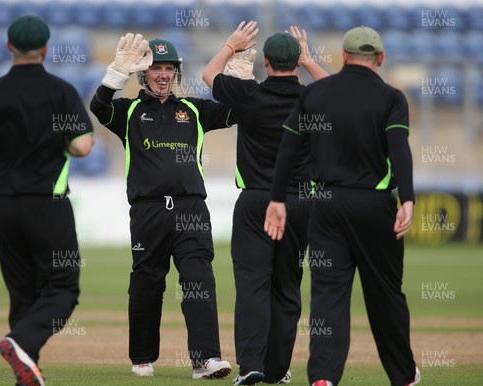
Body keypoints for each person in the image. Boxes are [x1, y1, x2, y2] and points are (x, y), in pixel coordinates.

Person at [264, 26, 420, 386]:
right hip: (374, 204)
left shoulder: (317, 94)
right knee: (385, 294)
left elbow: (288, 148)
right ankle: (402, 376)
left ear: (344, 57)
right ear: (380, 59)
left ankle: (322, 377)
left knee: (328, 296)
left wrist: (277, 199)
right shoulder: (391, 97)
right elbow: (399, 149)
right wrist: (408, 198)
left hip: (327, 205)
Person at [0, 15, 94, 386]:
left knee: (22, 291)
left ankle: (26, 370)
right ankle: (18, 343)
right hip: (46, 203)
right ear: (45, 49)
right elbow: (82, 146)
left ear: (8, 47)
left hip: (3, 203)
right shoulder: (61, 91)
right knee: (63, 288)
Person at [89, 33, 233, 379]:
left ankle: (206, 360)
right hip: (148, 211)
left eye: (169, 68)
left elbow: (237, 112)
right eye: (156, 68)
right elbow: (98, 108)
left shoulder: (195, 110)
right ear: (143, 73)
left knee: (199, 279)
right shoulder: (129, 111)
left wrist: (236, 79)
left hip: (191, 209)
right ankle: (141, 357)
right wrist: (115, 75)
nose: (163, 74)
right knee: (147, 284)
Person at [202, 21, 328, 385]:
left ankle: (251, 366)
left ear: (266, 63)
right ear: (295, 62)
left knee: (253, 285)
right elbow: (339, 89)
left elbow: (209, 73)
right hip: (300, 202)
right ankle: (276, 369)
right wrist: (309, 61)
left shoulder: (248, 94)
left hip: (257, 200)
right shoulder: (312, 98)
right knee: (287, 287)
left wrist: (231, 45)